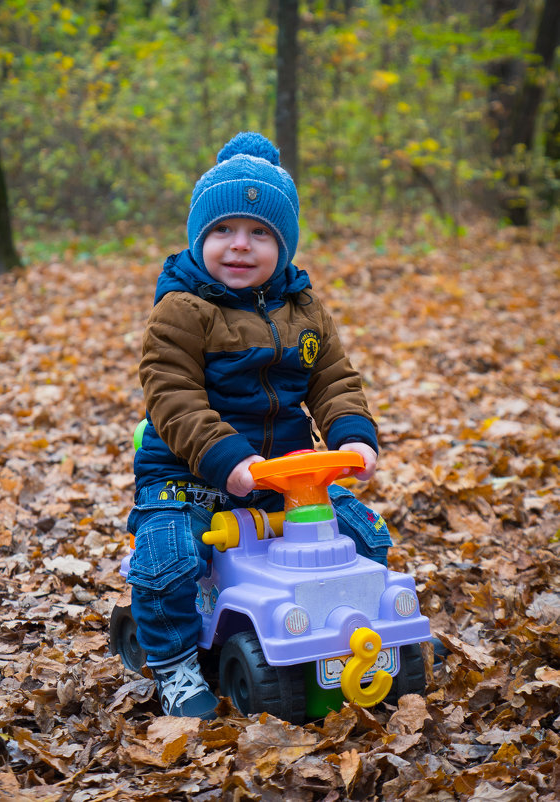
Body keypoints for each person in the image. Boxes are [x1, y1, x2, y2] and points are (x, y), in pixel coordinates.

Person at [126, 132, 392, 719]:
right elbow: (172, 395)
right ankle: (173, 664)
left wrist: (351, 434)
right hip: (189, 471)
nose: (239, 246)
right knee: (168, 557)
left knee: (366, 539)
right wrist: (228, 459)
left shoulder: (305, 309)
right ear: (200, 238)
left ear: (284, 243)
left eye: (260, 233)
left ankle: (370, 640)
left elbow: (333, 376)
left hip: (287, 477)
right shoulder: (181, 310)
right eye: (223, 230)